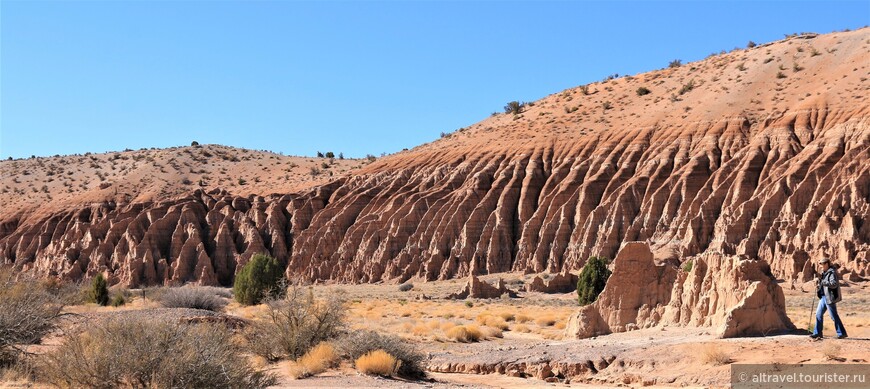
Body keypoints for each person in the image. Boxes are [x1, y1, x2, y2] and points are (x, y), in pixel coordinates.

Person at [810, 258, 847, 340]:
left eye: (822, 264)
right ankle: (817, 333)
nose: (821, 266)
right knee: (818, 314)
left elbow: (833, 284)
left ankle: (841, 333)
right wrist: (818, 284)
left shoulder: (832, 273)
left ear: (826, 264)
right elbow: (823, 284)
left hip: (829, 297)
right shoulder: (824, 273)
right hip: (823, 297)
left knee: (833, 316)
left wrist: (821, 281)